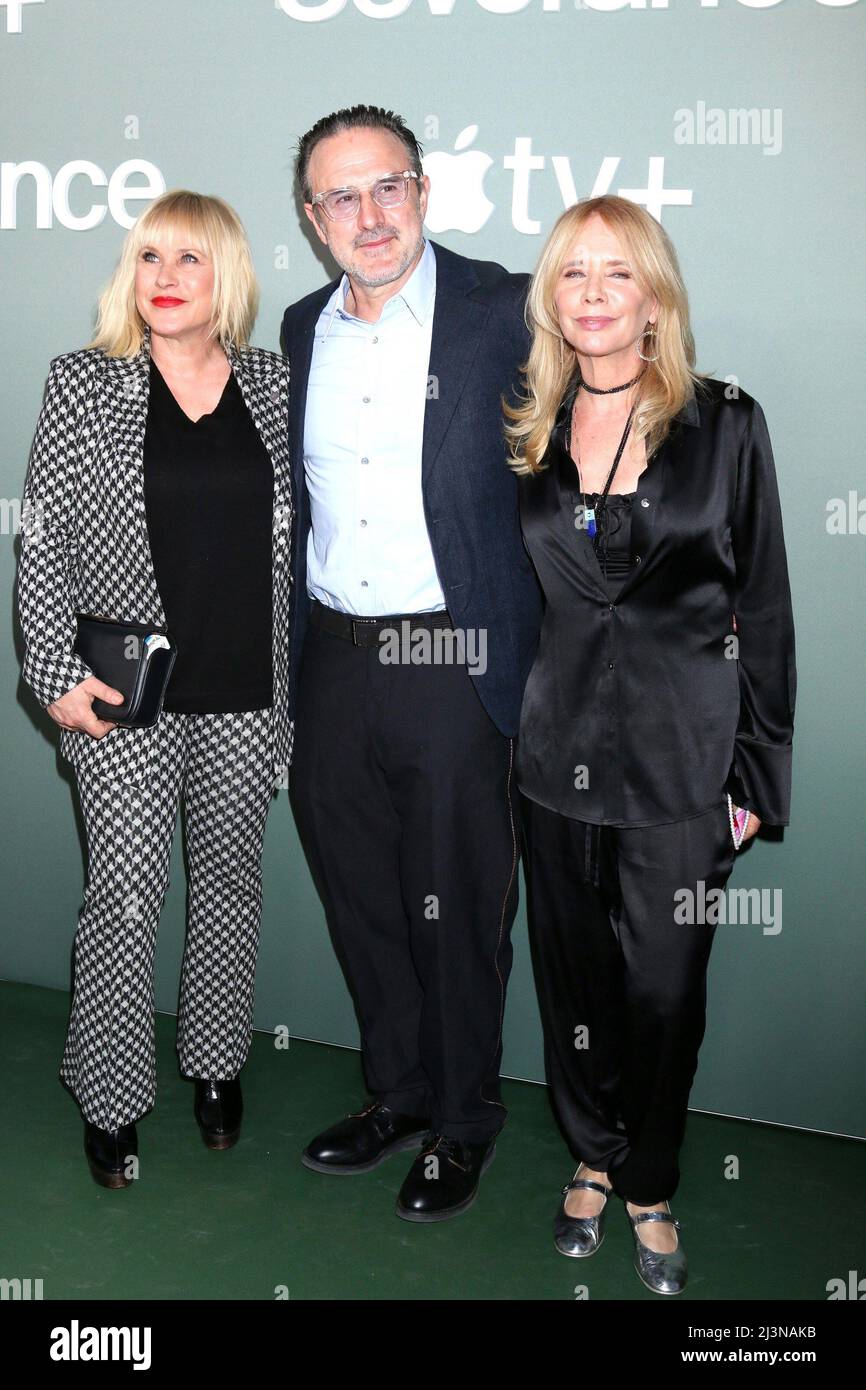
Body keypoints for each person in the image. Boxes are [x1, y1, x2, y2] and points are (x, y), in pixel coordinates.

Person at [505, 194, 795, 1292]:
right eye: (570, 273)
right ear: (551, 297)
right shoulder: (526, 428)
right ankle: (587, 1154)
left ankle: (649, 1181)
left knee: (663, 994)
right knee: (571, 983)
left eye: (614, 273)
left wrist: (755, 775)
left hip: (685, 767)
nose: (590, 293)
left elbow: (762, 607)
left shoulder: (724, 422)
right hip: (553, 762)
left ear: (653, 295)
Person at [280, 105, 542, 1222]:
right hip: (332, 659)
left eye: (386, 186)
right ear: (311, 217)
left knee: (456, 906)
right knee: (363, 901)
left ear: (423, 191)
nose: (367, 213)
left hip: (452, 655)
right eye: (341, 195)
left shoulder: (504, 310)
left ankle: (463, 1121)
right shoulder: (299, 330)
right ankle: (395, 1094)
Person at [16, 189, 293, 1188]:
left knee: (228, 887)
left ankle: (217, 1067)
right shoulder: (85, 381)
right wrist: (51, 672)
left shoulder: (272, 380)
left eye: (191, 260)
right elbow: (40, 534)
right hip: (126, 692)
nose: (167, 280)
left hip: (248, 687)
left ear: (228, 277)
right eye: (150, 258)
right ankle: (110, 1096)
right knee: (125, 897)